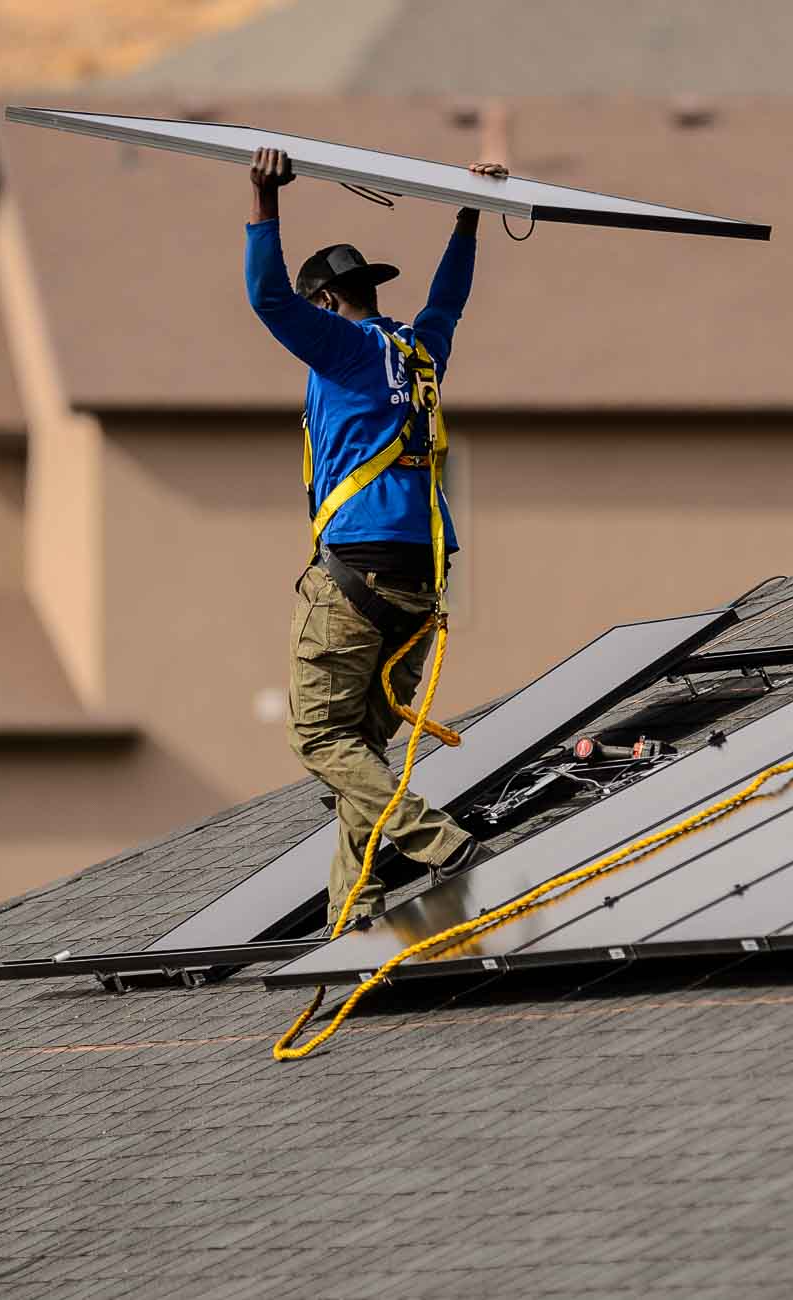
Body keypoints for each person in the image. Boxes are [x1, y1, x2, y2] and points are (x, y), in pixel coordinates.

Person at [245, 145, 505, 928]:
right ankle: (351, 906)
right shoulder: (419, 353)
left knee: (318, 735)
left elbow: (265, 299)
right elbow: (448, 303)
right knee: (362, 742)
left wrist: (264, 202)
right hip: (421, 582)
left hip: (357, 573)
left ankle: (436, 840)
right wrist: (469, 217)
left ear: (326, 302)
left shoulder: (344, 349)